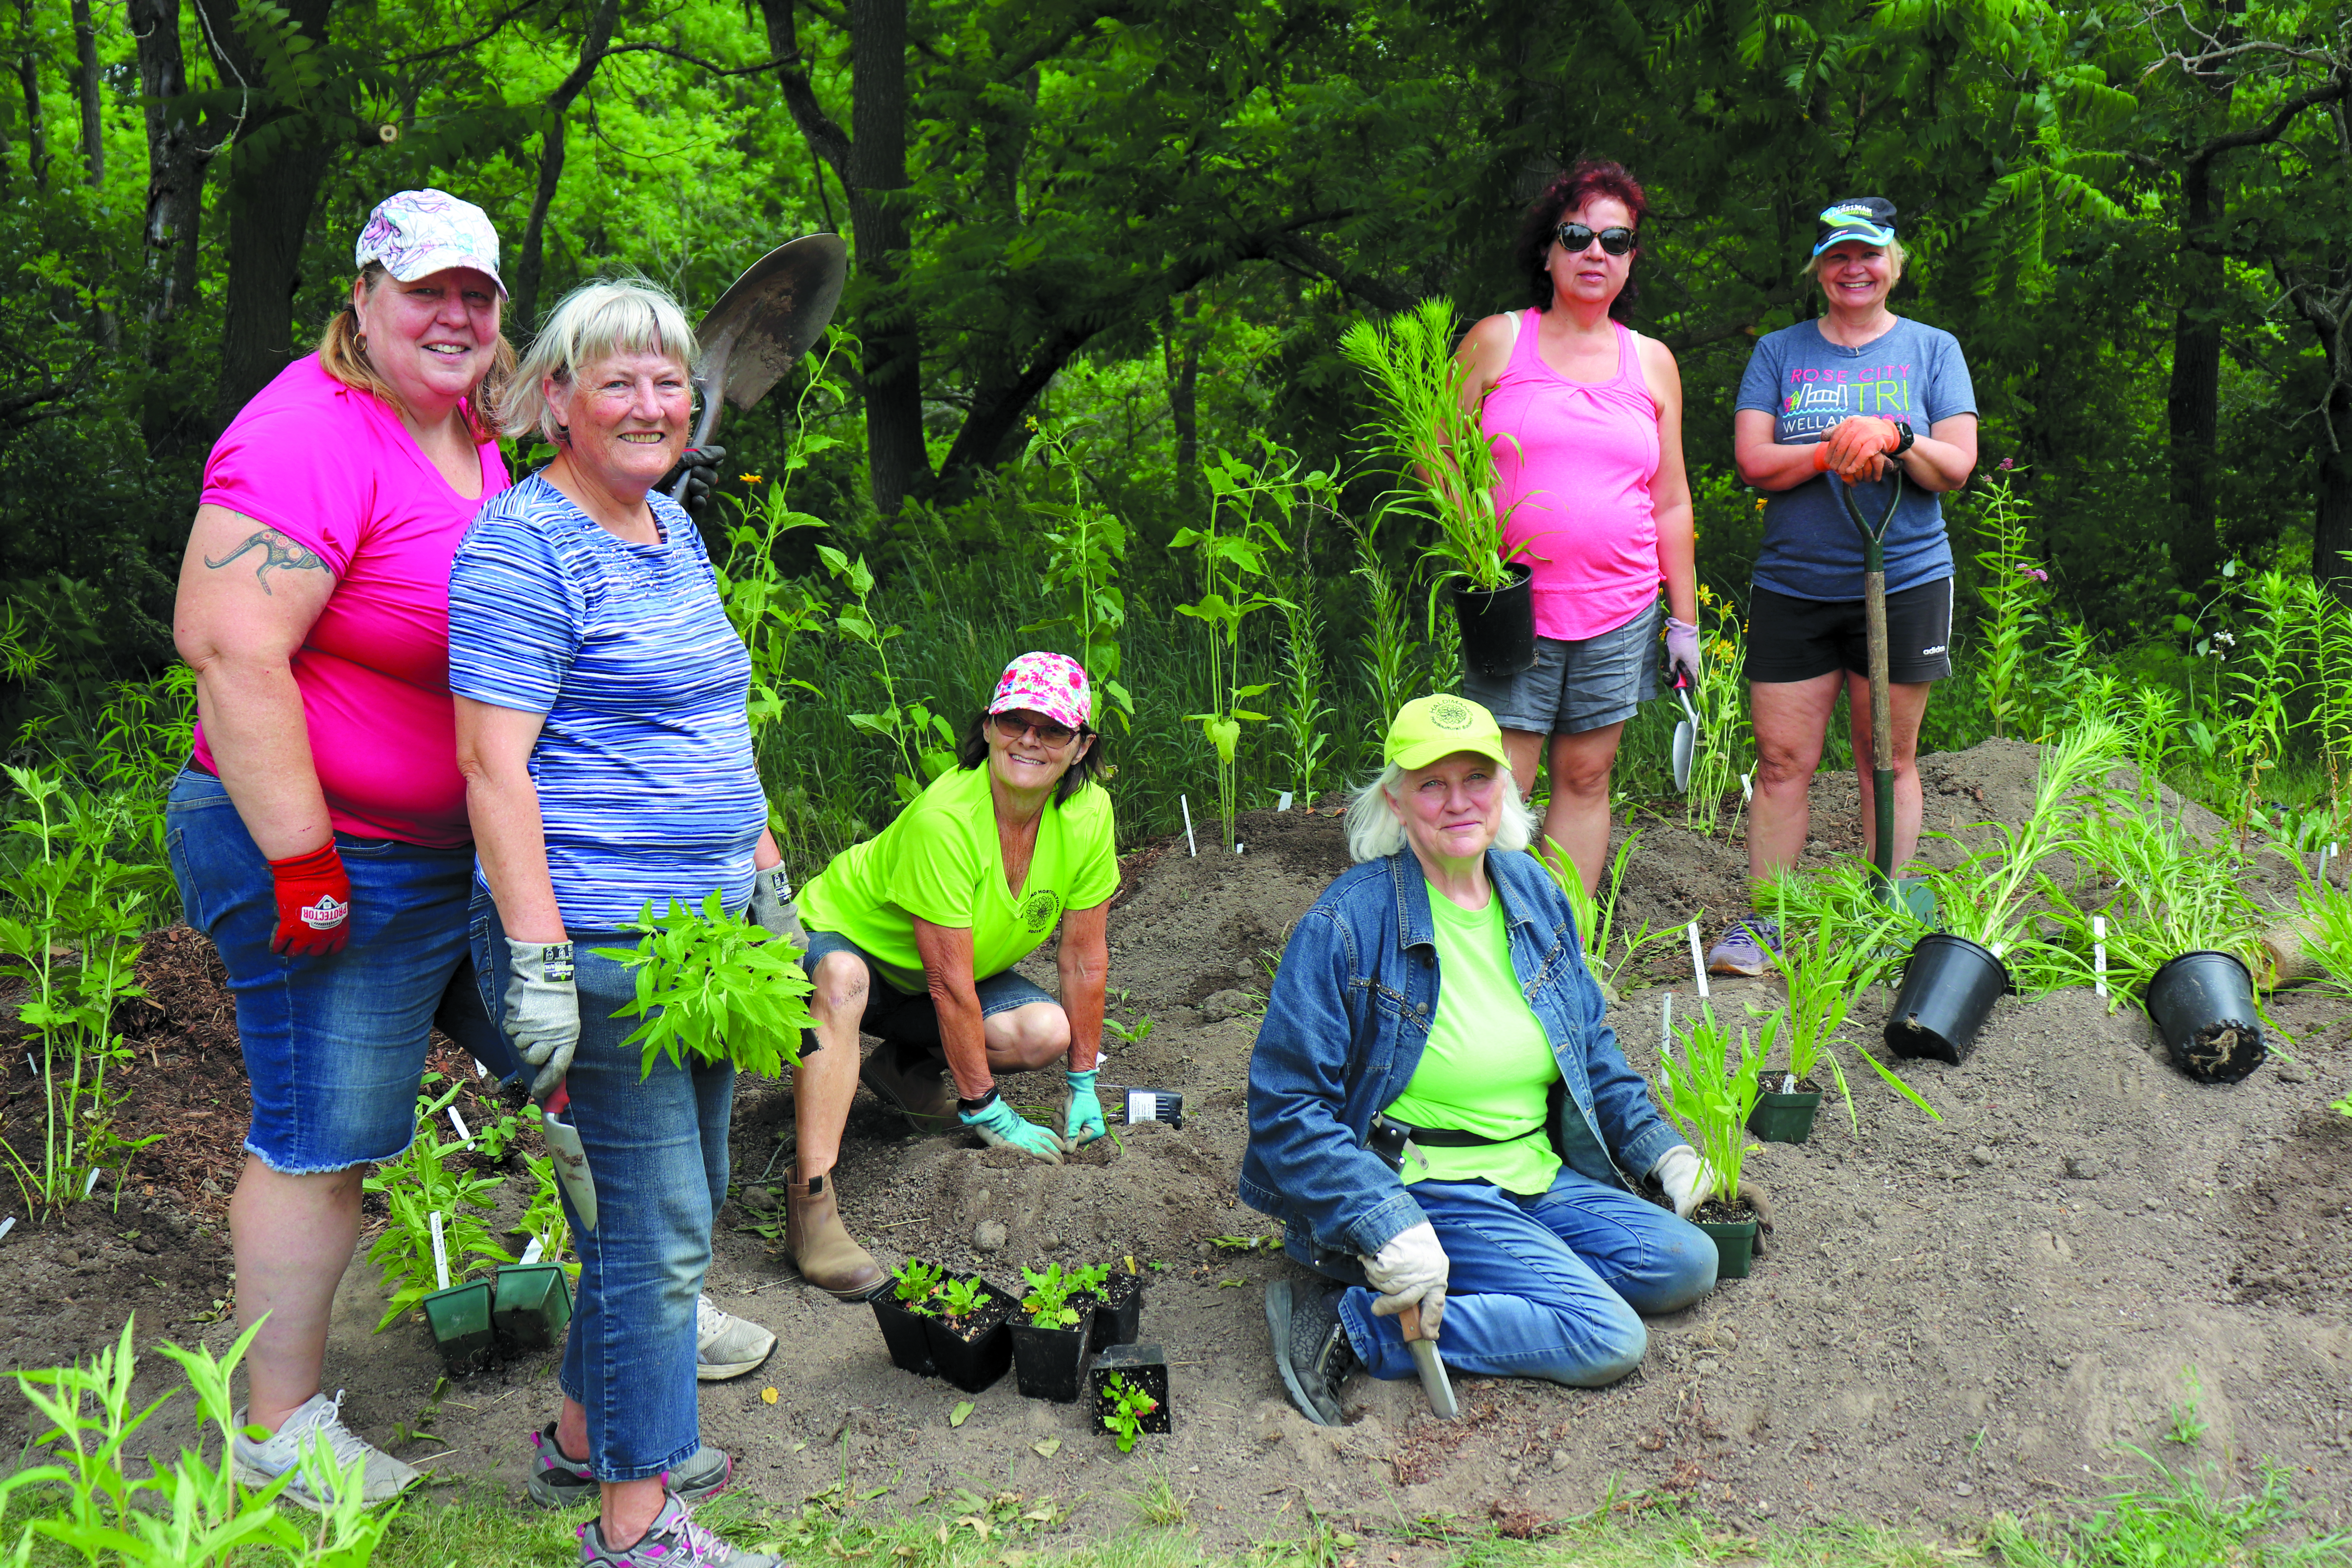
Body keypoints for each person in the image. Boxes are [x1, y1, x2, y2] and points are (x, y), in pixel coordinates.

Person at [167, 187, 534, 1510]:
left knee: (582, 1060)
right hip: (329, 853)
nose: (455, 317)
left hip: (456, 851)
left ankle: (642, 1315)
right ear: (364, 299)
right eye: (427, 291)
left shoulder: (469, 424)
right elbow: (228, 646)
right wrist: (305, 862)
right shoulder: (310, 434)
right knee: (323, 1137)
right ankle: (274, 1428)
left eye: (477, 295)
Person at [450, 277, 787, 1568]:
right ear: (556, 401)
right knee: (656, 1234)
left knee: (660, 1213)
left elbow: (711, 718)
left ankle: (589, 1440)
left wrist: (762, 868)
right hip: (600, 940)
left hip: (705, 940)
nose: (652, 404)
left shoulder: (668, 528)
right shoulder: (521, 548)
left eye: (669, 382)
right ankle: (637, 1528)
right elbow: (493, 769)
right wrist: (537, 958)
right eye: (619, 381)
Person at [1242, 695, 1718, 1426]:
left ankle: (1473, 1279)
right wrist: (1382, 1219)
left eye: (1477, 778)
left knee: (1688, 1263)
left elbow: (1589, 1047)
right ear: (1396, 802)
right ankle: (1358, 1322)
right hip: (1429, 1185)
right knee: (1606, 1336)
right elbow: (1286, 1105)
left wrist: (1663, 1154)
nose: (1459, 801)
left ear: (1506, 787)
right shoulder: (1347, 924)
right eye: (1432, 784)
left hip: (1534, 1173)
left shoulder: (1534, 893)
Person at [783, 652, 1119, 1298]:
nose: (1030, 740)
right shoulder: (947, 821)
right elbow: (949, 987)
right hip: (837, 948)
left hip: (923, 982)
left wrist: (1083, 1083)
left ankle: (902, 1070)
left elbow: (1084, 957)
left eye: (1052, 730)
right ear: (988, 727)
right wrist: (985, 1107)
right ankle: (811, 1204)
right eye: (1014, 722)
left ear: (1081, 747)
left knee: (1043, 1032)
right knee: (845, 980)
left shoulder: (1088, 815)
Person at [1708, 197, 1978, 976]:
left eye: (1868, 254)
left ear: (1893, 263)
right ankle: (1768, 922)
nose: (1854, 269)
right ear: (1819, 269)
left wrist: (1895, 435)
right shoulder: (1780, 352)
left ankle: (1882, 915)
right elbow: (1756, 461)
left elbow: (1955, 465)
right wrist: (1834, 450)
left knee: (1885, 757)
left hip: (1905, 578)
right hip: (1795, 582)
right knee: (1781, 759)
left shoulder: (1933, 349)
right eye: (1838, 256)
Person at [1452, 159, 1697, 895]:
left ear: (1631, 258)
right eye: (1577, 235)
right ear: (1547, 249)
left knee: (1588, 775)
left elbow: (1672, 501)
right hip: (1513, 606)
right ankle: (1484, 938)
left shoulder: (1652, 362)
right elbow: (1437, 456)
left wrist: (1684, 621)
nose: (1596, 252)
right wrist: (1478, 542)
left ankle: (1565, 939)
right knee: (1503, 779)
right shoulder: (1497, 340)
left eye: (1615, 241)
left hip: (1622, 608)